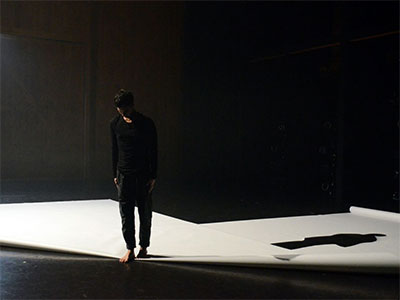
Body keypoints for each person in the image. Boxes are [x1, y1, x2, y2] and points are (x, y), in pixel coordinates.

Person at [110, 89, 157, 263]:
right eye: (120, 110)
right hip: (124, 175)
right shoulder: (115, 123)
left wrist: (153, 175)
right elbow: (114, 150)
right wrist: (115, 173)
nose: (123, 113)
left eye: (126, 110)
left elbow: (153, 150)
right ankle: (130, 248)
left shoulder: (146, 123)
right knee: (125, 213)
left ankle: (143, 246)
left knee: (145, 213)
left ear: (132, 106)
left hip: (143, 174)